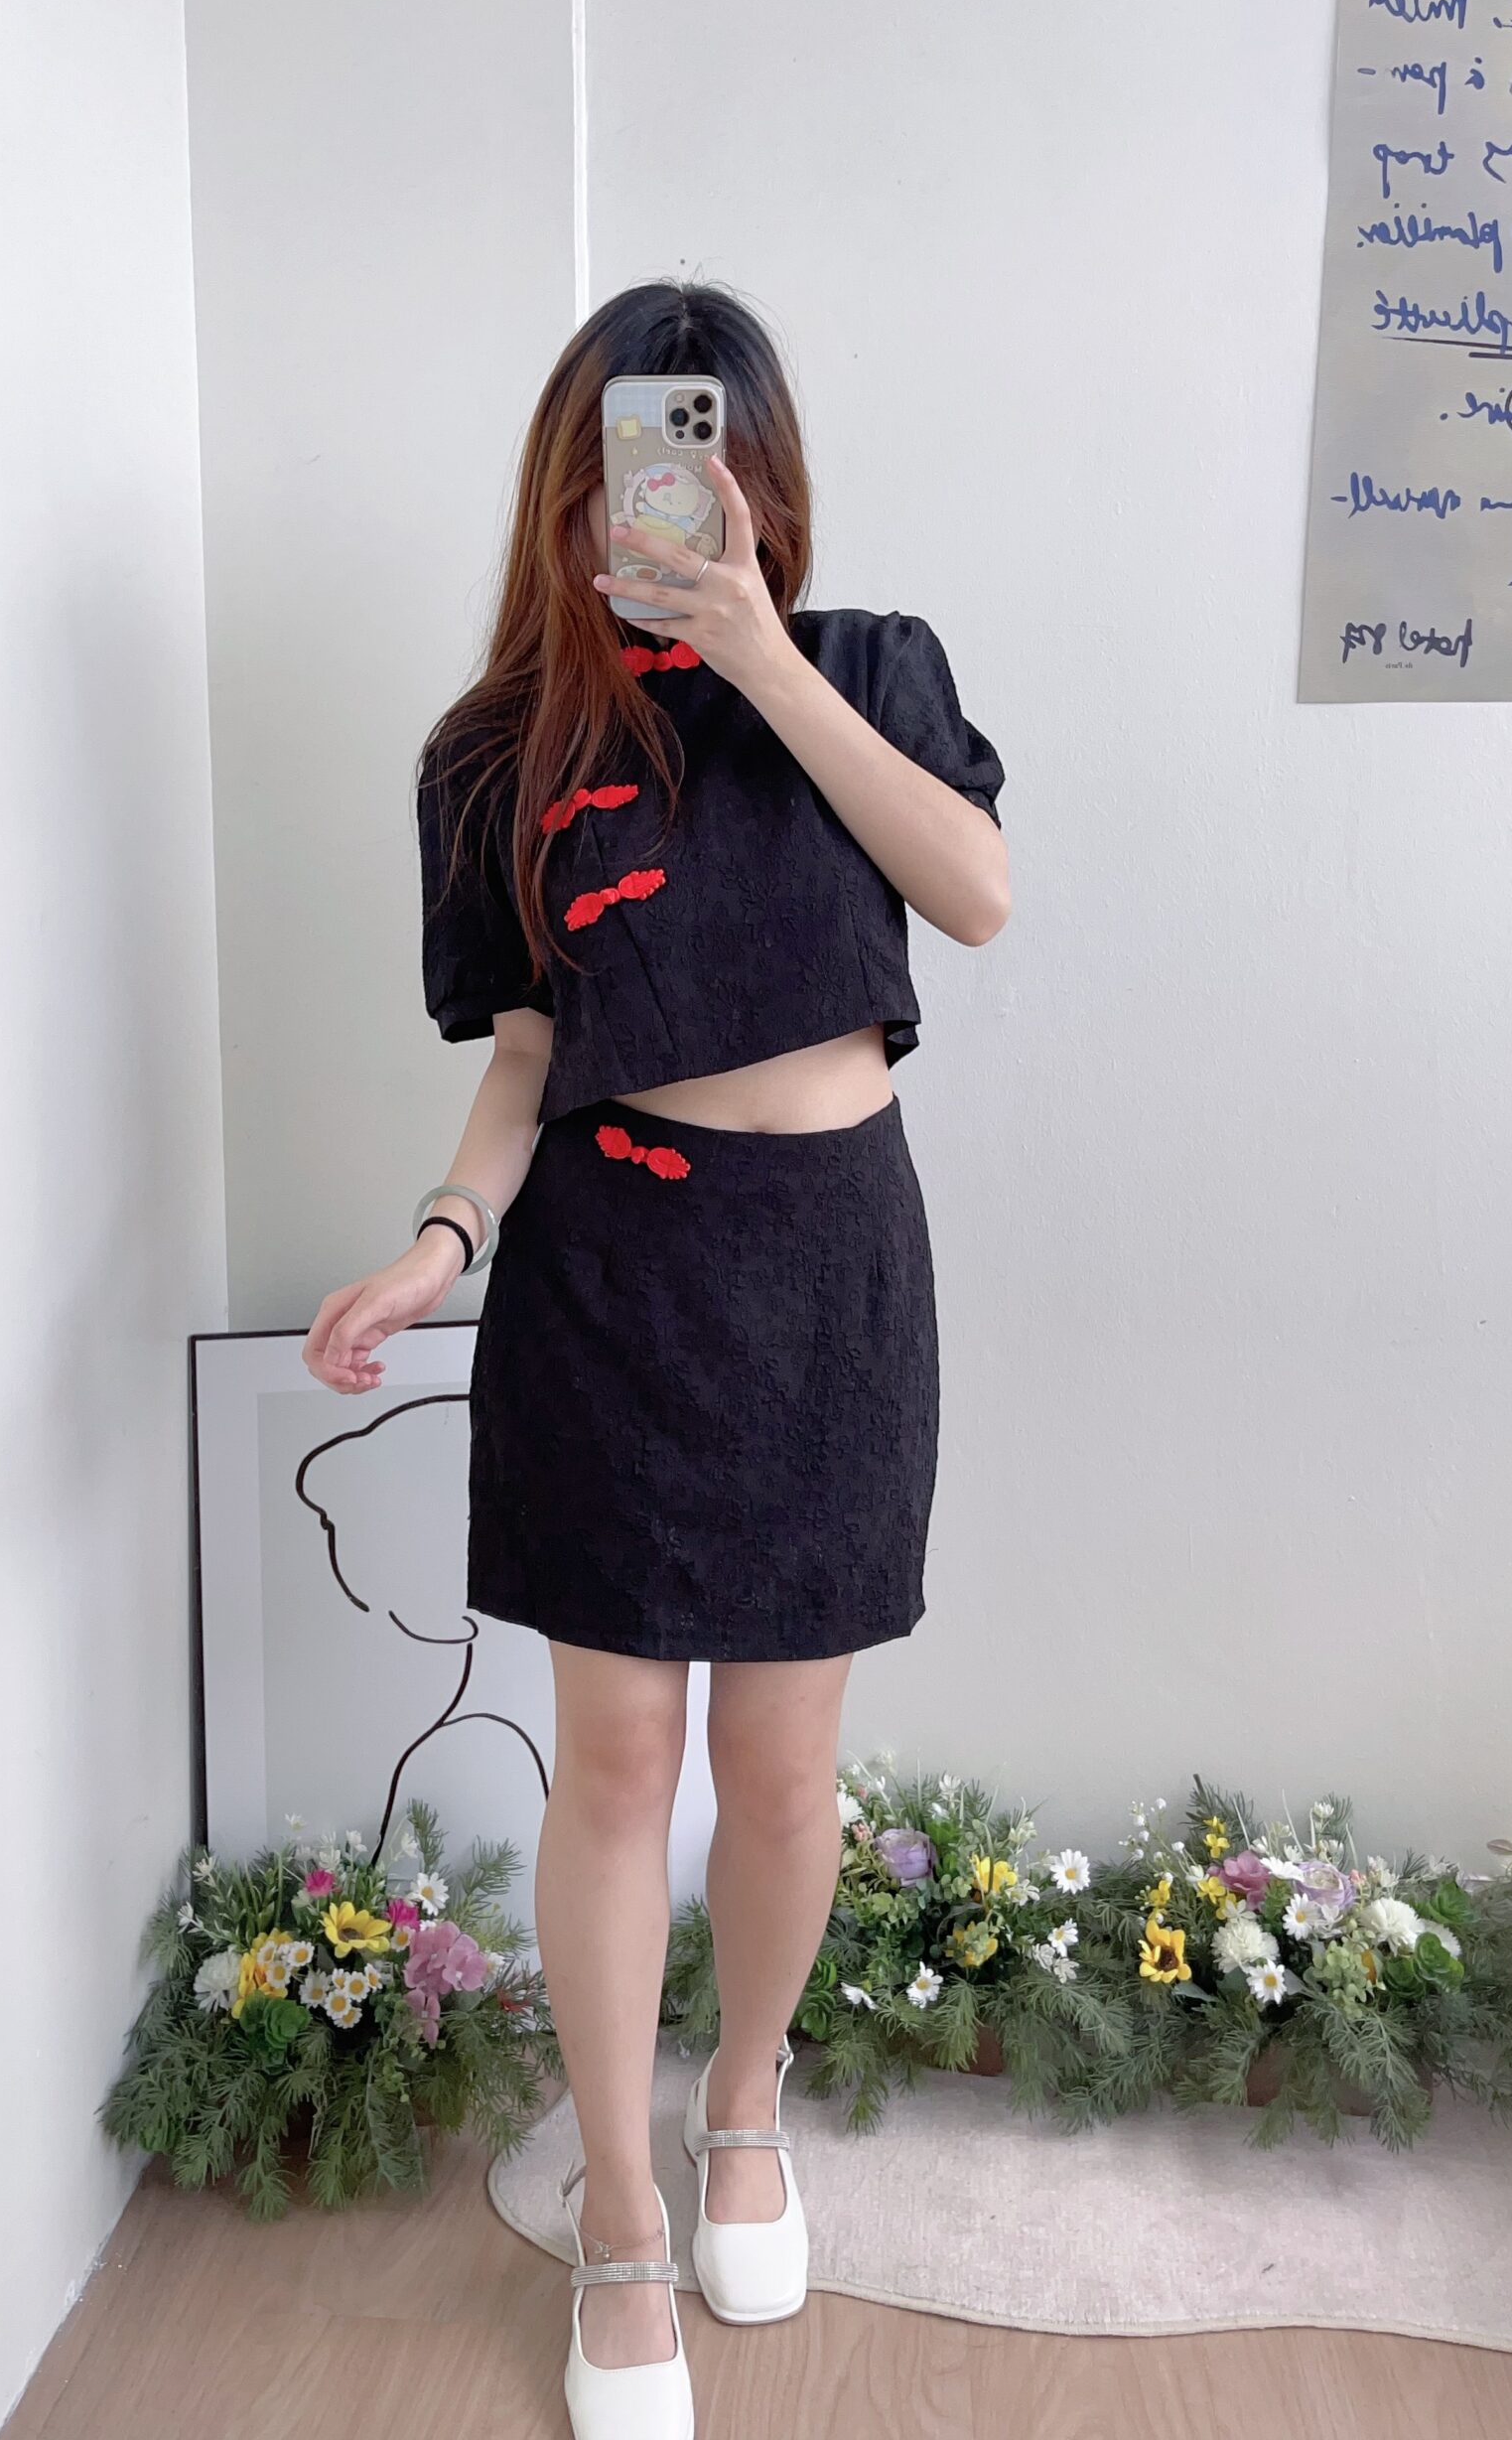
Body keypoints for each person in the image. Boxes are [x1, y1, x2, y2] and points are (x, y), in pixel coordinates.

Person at [303, 280, 1010, 2440]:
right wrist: (441, 1237)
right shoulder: (495, 753)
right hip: (610, 1274)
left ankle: (746, 2105)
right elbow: (527, 1051)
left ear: (766, 482)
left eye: (723, 459)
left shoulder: (866, 665)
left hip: (831, 1277)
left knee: (785, 1769)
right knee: (615, 1764)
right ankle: (621, 2211)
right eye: (642, 461)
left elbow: (975, 890)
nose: (688, 498)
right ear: (574, 487)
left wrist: (763, 657)